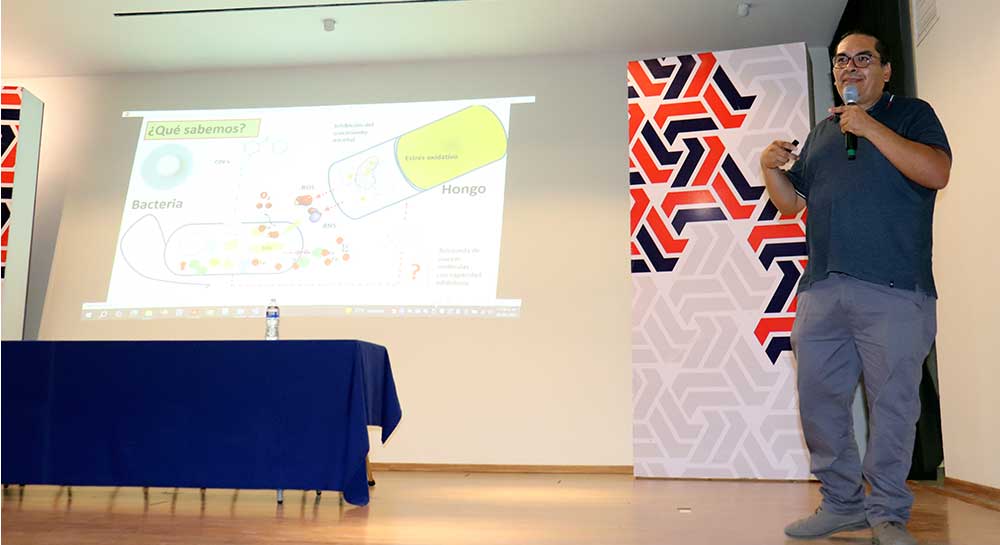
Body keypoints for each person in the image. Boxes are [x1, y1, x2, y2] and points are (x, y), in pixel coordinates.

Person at [759, 31, 952, 545]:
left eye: (863, 58)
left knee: (892, 408)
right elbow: (790, 204)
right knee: (818, 404)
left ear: (885, 70)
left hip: (896, 288)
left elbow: (937, 172)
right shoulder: (825, 131)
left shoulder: (911, 115)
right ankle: (842, 504)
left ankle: (887, 513)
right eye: (841, 61)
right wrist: (768, 168)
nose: (849, 67)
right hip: (821, 290)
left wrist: (870, 128)